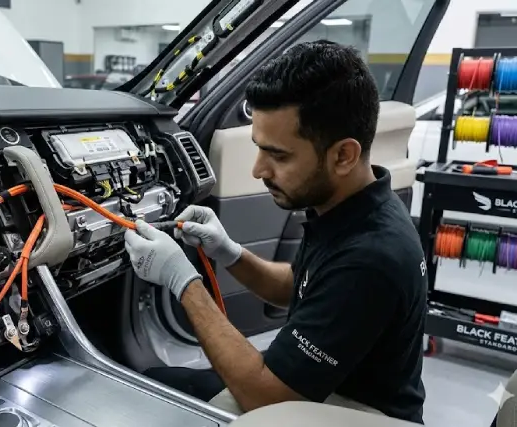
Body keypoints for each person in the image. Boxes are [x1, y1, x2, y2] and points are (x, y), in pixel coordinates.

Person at [123, 40, 428, 424]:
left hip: (362, 413)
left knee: (158, 403)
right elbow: (300, 285)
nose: (258, 170)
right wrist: (229, 252)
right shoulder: (354, 208)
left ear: (344, 155)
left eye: (279, 155)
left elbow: (265, 398)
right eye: (258, 148)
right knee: (158, 382)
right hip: (326, 386)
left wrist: (182, 280)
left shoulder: (371, 257)